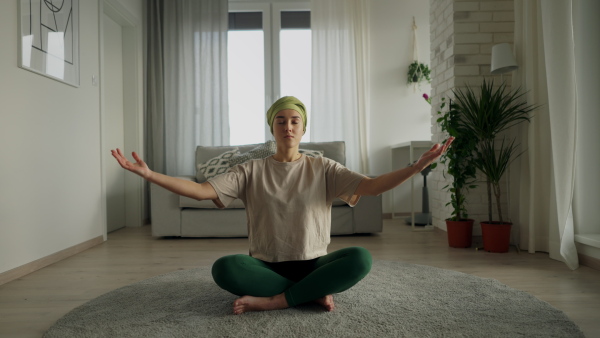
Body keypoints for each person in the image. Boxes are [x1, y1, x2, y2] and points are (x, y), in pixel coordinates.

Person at [112, 96, 453, 315]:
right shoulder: (252, 170)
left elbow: (372, 186)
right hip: (265, 266)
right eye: (281, 121)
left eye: (294, 121)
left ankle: (278, 300)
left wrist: (415, 167)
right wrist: (150, 174)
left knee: (360, 258)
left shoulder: (323, 167)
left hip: (315, 263)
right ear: (272, 127)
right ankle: (310, 295)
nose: (288, 127)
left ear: (303, 128)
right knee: (224, 268)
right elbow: (201, 190)